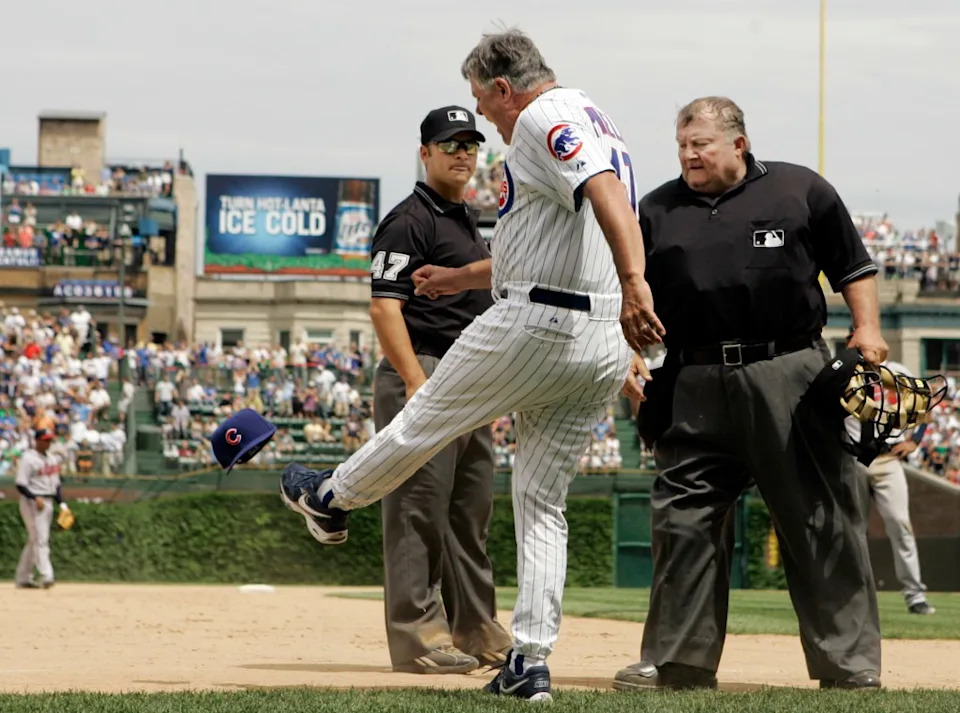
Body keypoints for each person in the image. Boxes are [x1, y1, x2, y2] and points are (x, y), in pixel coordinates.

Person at [218, 29, 664, 701]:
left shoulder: (543, 116)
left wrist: (637, 284)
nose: (483, 115)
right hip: (596, 337)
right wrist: (465, 278)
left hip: (540, 322)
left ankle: (329, 498)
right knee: (543, 503)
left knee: (422, 416)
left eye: (482, 100)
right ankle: (530, 662)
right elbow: (569, 226)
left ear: (505, 88)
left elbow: (602, 192)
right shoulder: (599, 116)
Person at [613, 97, 887, 692]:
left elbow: (853, 267)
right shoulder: (656, 210)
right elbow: (628, 294)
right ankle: (680, 663)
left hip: (787, 369)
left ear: (738, 143)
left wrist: (866, 327)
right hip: (692, 377)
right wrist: (631, 352)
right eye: (682, 144)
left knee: (819, 517)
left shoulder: (798, 191)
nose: (688, 154)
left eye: (701, 143)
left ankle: (849, 666)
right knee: (682, 520)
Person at [364, 105, 513, 675]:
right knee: (416, 512)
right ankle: (419, 637)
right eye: (449, 144)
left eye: (470, 145)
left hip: (467, 379)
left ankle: (476, 628)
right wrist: (414, 381)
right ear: (424, 153)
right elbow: (384, 306)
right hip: (424, 371)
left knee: (468, 516)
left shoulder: (465, 218)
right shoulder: (409, 219)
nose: (462, 154)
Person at [845, 355, 936, 616]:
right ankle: (852, 597)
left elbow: (925, 400)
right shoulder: (843, 371)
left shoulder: (895, 371)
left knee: (900, 524)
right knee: (853, 528)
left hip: (888, 458)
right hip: (853, 458)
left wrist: (916, 439)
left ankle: (915, 595)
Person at [14, 428, 69, 589]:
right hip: (32, 502)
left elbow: (57, 485)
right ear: (37, 440)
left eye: (49, 440)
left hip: (49, 501)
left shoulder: (52, 459)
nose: (48, 442)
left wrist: (63, 505)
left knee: (34, 540)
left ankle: (23, 577)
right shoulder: (28, 458)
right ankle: (47, 575)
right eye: (45, 439)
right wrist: (33, 497)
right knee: (40, 539)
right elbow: (20, 484)